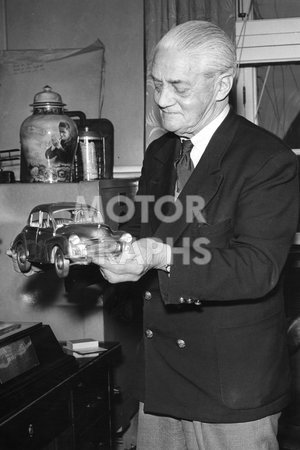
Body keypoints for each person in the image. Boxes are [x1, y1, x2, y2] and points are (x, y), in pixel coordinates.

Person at [88, 20, 300, 449]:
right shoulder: (161, 151)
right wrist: (104, 239)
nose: (162, 100)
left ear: (223, 84)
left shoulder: (267, 161)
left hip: (231, 387)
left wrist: (159, 256)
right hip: (162, 376)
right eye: (156, 84)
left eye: (179, 87)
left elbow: (256, 268)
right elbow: (149, 229)